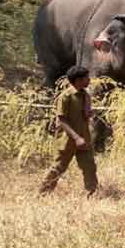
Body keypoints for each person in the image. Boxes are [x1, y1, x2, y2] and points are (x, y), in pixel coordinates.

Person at [39, 66, 99, 197]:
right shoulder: (65, 97)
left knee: (89, 166)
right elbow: (61, 120)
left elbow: (85, 115)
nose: (89, 80)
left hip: (84, 138)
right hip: (67, 140)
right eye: (86, 78)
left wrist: (89, 113)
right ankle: (43, 193)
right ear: (78, 80)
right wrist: (76, 138)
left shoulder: (85, 95)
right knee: (58, 167)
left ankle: (91, 193)